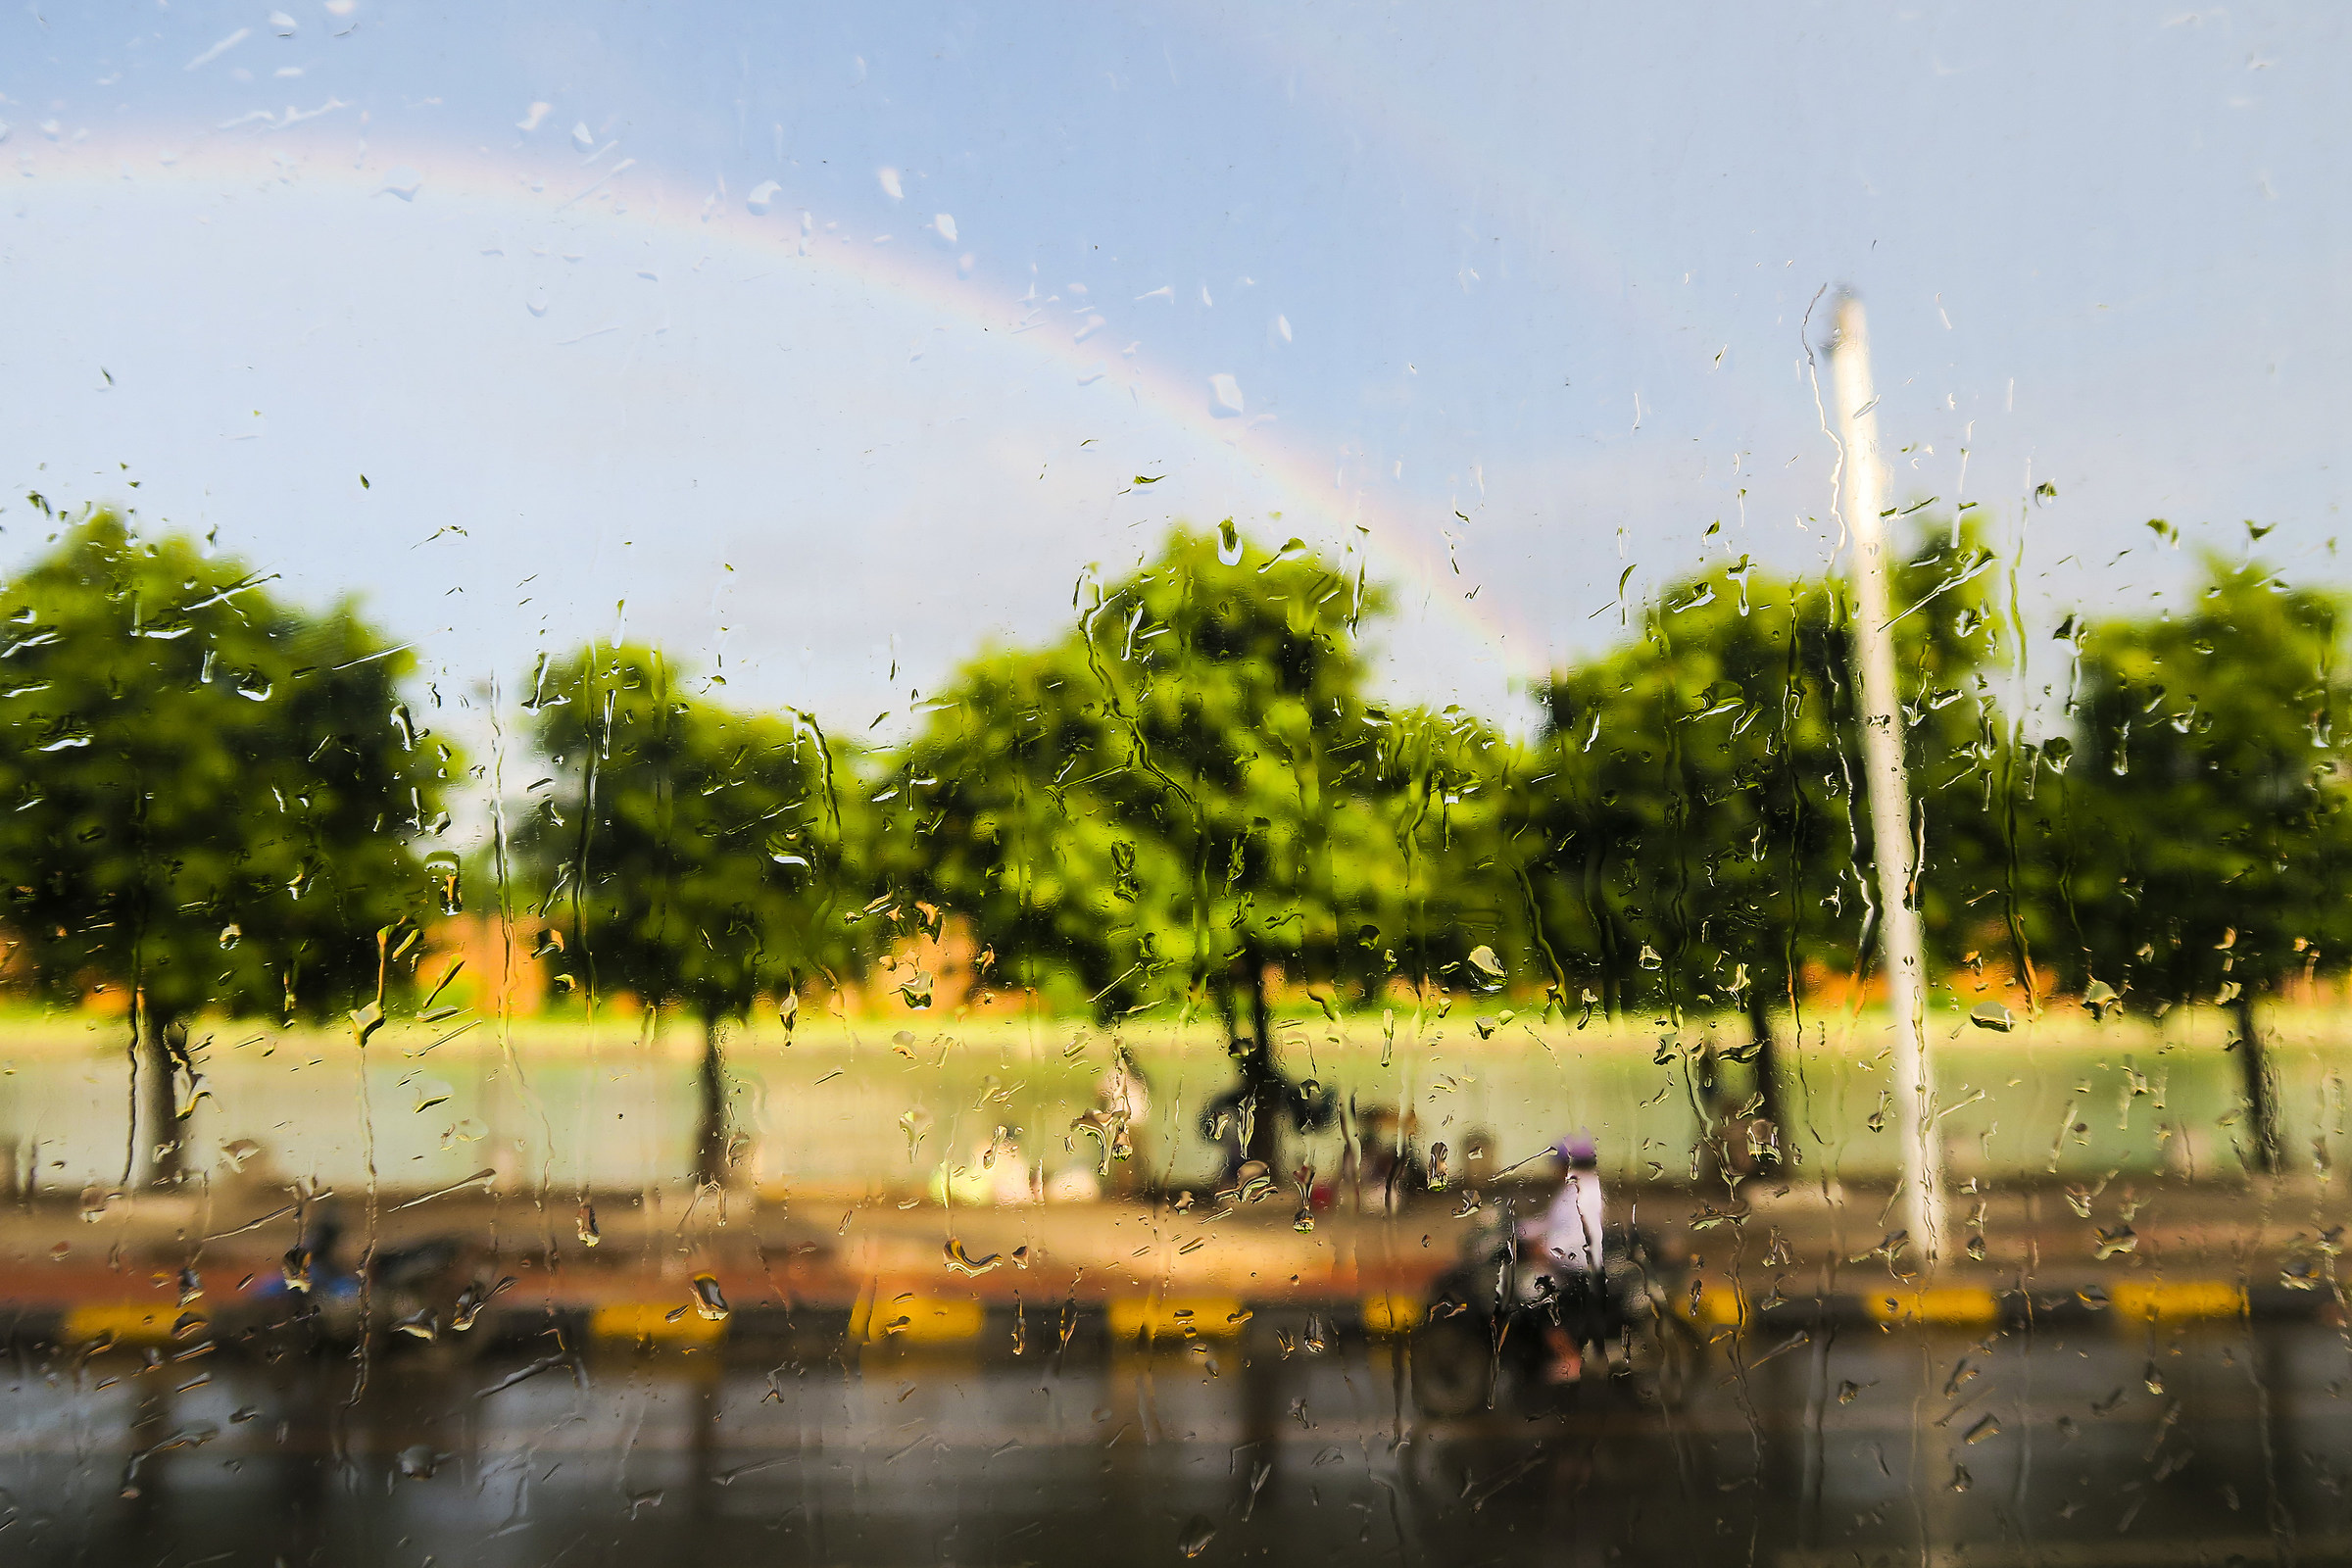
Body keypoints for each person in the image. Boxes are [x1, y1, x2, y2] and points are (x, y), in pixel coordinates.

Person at [1536, 1135, 1608, 1383]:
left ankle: (1571, 1358)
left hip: (1577, 1267)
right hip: (1568, 1261)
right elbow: (1549, 1223)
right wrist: (1518, 1229)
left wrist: (1545, 1248)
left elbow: (1578, 1234)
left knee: (1543, 1307)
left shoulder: (1583, 1191)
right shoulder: (1573, 1189)